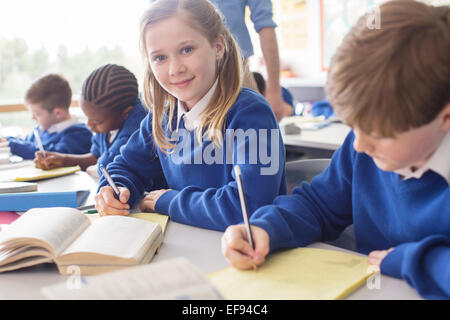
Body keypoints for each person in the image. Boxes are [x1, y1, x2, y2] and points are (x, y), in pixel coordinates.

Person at [221, 0, 450, 299]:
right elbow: (318, 206)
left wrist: (420, 260)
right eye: (353, 125)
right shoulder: (362, 149)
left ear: (444, 117)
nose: (359, 144)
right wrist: (264, 229)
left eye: (378, 133)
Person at [94, 0, 286, 231]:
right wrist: (113, 190)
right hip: (188, 248)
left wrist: (170, 201)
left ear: (218, 47)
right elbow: (126, 167)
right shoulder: (163, 119)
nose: (175, 69)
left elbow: (249, 207)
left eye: (187, 50)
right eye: (160, 58)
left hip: (247, 253)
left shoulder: (251, 114)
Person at [34, 64, 148, 178]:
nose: (89, 124)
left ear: (125, 113)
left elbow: (106, 165)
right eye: (87, 117)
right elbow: (95, 157)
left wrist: (93, 168)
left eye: (97, 122)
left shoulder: (138, 126)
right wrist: (63, 160)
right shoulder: (108, 119)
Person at [210, 0, 288, 122]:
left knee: (256, 126)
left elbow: (265, 23)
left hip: (237, 70)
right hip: (197, 71)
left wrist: (274, 90)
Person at [0, 74, 92, 159]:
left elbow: (52, 155)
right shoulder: (43, 130)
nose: (33, 118)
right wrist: (7, 140)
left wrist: (12, 146)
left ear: (58, 113)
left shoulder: (79, 134)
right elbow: (26, 143)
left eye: (37, 114)